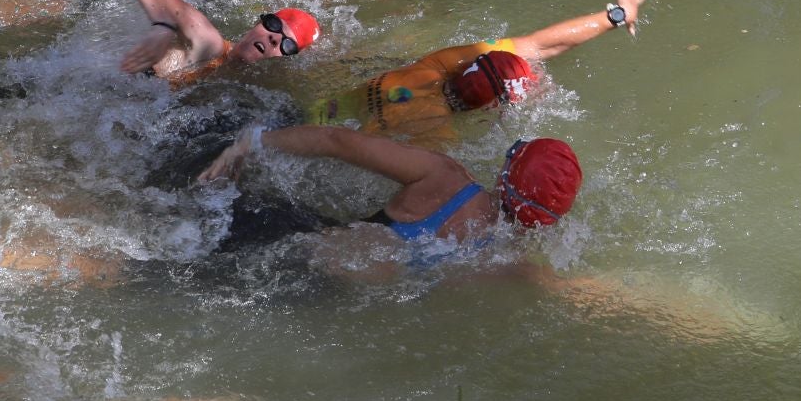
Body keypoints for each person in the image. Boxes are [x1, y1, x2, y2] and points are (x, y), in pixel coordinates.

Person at [306, 0, 651, 150]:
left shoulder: (435, 66)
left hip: (308, 117)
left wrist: (616, 16)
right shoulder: (440, 135)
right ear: (490, 109)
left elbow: (537, 45)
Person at [198, 124, 583, 263]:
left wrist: (251, 143)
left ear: (506, 175)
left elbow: (338, 140)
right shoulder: (516, 265)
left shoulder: (447, 180)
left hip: (300, 256)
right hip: (330, 306)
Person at [120, 0, 318, 80]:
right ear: (257, 24)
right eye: (273, 25)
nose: (275, 38)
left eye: (288, 45)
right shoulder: (208, 42)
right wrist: (163, 26)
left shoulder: (249, 89)